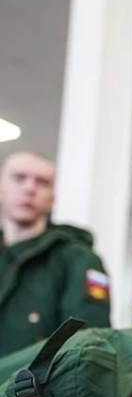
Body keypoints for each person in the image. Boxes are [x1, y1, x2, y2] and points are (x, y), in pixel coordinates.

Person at [0, 150, 111, 357]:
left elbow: (87, 347)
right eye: (19, 178)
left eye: (42, 182)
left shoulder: (78, 259)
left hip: (29, 377)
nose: (29, 188)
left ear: (53, 198)